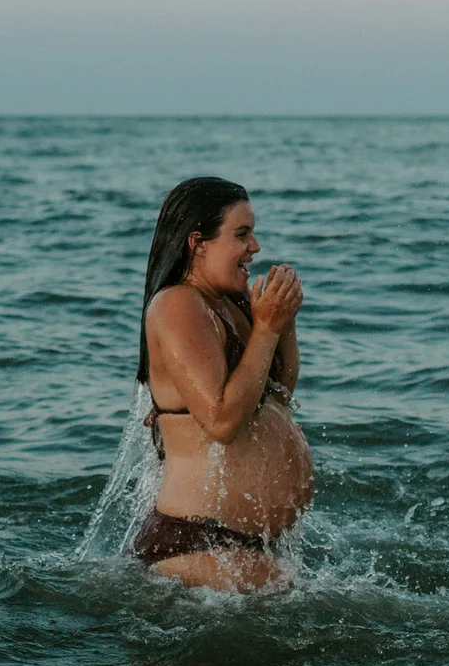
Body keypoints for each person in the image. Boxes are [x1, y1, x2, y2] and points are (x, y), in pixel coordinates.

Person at [131, 178, 313, 591]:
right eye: (242, 235)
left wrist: (282, 323)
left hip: (243, 545)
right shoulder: (177, 304)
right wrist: (265, 328)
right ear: (199, 243)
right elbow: (222, 420)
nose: (256, 247)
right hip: (198, 541)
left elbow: (278, 396)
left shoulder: (229, 304)